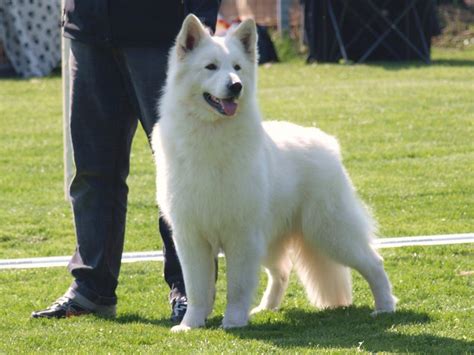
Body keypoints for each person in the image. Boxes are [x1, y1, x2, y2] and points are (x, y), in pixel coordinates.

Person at [31, 0, 220, 323]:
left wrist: (202, 18)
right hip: (89, 29)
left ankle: (192, 290)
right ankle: (92, 289)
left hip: (161, 33)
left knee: (184, 169)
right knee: (92, 167)